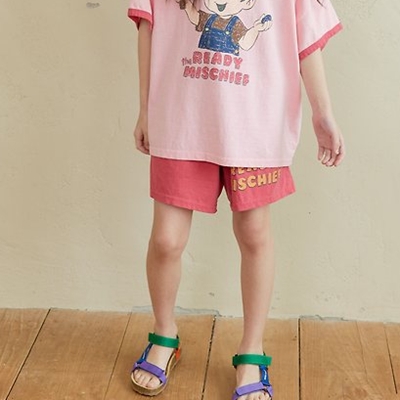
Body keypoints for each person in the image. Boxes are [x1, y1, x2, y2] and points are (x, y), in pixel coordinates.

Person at [127, 0, 345, 399]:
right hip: (181, 119)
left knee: (254, 234)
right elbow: (149, 27)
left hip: (255, 123)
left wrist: (323, 111)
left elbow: (305, 35)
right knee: (167, 240)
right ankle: (164, 333)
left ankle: (252, 349)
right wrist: (144, 109)